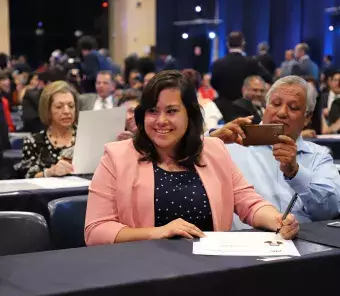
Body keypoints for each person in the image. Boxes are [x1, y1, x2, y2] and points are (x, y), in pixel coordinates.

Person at [85, 70, 299, 245]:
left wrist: (277, 219)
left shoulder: (214, 150)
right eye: (152, 111)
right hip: (144, 270)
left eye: (171, 111)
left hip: (209, 271)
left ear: (190, 114)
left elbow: (249, 204)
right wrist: (156, 232)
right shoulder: (116, 156)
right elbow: (96, 231)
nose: (161, 120)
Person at [210, 76, 340, 229]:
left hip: (303, 244)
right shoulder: (231, 144)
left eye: (293, 108)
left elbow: (329, 211)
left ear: (307, 118)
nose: (282, 112)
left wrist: (296, 173)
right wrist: (212, 140)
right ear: (266, 106)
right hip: (243, 245)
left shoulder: (319, 156)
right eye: (276, 104)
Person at [21, 81, 78, 178]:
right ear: (47, 110)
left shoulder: (86, 137)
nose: (67, 111)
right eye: (59, 107)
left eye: (71, 106)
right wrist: (50, 172)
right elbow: (28, 176)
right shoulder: (33, 142)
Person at [211, 32, 271, 120]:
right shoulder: (251, 62)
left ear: (227, 44)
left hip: (222, 109)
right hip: (246, 110)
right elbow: (268, 78)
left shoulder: (218, 63)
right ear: (243, 43)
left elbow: (214, 83)